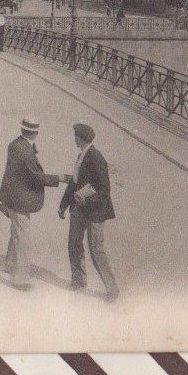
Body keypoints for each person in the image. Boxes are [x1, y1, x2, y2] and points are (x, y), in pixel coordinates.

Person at [0, 117, 60, 291]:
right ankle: (20, 279)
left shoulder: (15, 144)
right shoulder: (25, 150)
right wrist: (58, 179)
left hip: (12, 197)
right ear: (35, 132)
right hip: (20, 200)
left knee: (16, 233)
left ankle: (10, 265)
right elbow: (36, 176)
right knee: (23, 239)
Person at [59, 124, 119, 302]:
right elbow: (74, 182)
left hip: (95, 212)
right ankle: (78, 280)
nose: (74, 139)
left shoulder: (96, 158)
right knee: (74, 243)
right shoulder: (81, 156)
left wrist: (85, 199)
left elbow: (104, 189)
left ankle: (112, 290)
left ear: (80, 139)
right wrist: (63, 205)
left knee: (97, 250)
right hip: (78, 209)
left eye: (75, 137)